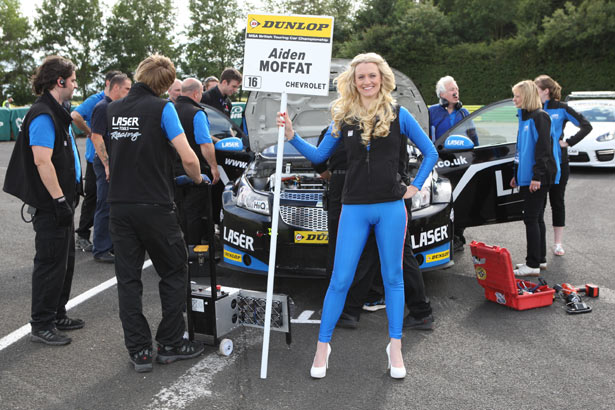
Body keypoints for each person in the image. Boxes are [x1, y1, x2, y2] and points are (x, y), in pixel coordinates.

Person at [277, 53, 438, 379]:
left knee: (393, 278)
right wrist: (292, 135)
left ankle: (395, 347)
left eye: (372, 76)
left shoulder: (399, 114)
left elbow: (431, 152)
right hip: (353, 208)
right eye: (360, 77)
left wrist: (415, 186)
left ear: (382, 79)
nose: (366, 81)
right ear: (353, 81)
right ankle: (323, 347)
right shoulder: (343, 117)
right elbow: (320, 157)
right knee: (340, 279)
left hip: (391, 208)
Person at [107, 54, 206, 372]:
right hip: (155, 205)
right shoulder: (163, 108)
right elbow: (188, 156)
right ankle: (170, 342)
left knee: (128, 279)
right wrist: (197, 177)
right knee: (175, 271)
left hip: (120, 206)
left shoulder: (112, 109)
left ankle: (138, 350)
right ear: (165, 86)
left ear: (139, 74)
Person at [3, 55, 84, 345]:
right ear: (60, 81)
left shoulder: (57, 111)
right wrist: (60, 200)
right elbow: (41, 161)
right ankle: (41, 324)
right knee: (50, 263)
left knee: (65, 262)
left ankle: (57, 312)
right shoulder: (42, 114)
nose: (76, 85)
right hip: (52, 205)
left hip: (62, 202)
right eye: (73, 80)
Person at [534, 75, 592, 257]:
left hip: (560, 163)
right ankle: (539, 243)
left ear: (546, 91)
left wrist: (568, 142)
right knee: (539, 205)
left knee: (557, 202)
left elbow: (586, 125)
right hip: (540, 164)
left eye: (536, 88)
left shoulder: (562, 108)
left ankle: (558, 244)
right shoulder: (534, 109)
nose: (534, 91)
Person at [510, 80, 557, 277]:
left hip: (538, 178)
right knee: (537, 218)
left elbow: (544, 149)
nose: (514, 99)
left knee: (531, 218)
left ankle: (532, 264)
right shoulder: (525, 119)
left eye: (517, 96)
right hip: (528, 177)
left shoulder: (540, 117)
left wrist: (536, 177)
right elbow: (521, 151)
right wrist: (516, 175)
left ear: (527, 96)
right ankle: (540, 260)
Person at [72, 70, 122, 252]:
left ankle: (103, 240)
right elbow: (75, 116)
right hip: (96, 157)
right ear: (110, 84)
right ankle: (83, 235)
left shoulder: (114, 102)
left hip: (104, 157)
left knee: (102, 199)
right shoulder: (98, 101)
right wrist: (89, 132)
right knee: (94, 198)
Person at [428, 76, 477, 252]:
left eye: (456, 88)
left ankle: (458, 237)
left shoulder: (464, 113)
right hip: (438, 164)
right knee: (440, 200)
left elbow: (474, 138)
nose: (455, 92)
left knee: (461, 200)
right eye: (451, 89)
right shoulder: (431, 112)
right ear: (442, 94)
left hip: (461, 163)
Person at [89, 73, 132, 263]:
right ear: (115, 88)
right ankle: (101, 248)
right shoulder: (102, 107)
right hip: (105, 163)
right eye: (126, 89)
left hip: (115, 162)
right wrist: (107, 164)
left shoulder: (115, 107)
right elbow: (96, 137)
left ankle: (111, 244)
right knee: (104, 205)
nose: (129, 93)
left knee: (114, 206)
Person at [174, 77, 220, 244]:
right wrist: (214, 167)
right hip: (194, 170)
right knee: (195, 212)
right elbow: (205, 144)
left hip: (171, 171)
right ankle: (195, 251)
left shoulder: (168, 109)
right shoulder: (196, 113)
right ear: (196, 93)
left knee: (178, 211)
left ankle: (180, 248)